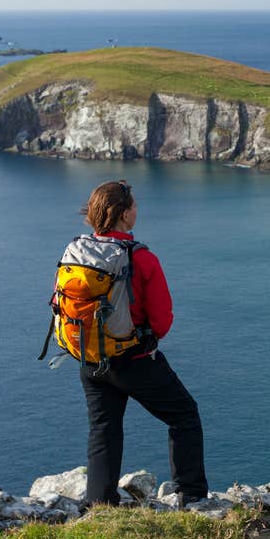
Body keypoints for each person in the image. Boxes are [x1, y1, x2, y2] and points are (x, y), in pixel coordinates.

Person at [75, 179, 209, 506]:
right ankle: (191, 496)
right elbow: (162, 321)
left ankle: (101, 506)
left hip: (90, 358)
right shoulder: (141, 258)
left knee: (103, 431)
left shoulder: (79, 252)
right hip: (132, 359)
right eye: (134, 205)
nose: (138, 210)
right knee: (184, 415)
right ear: (123, 214)